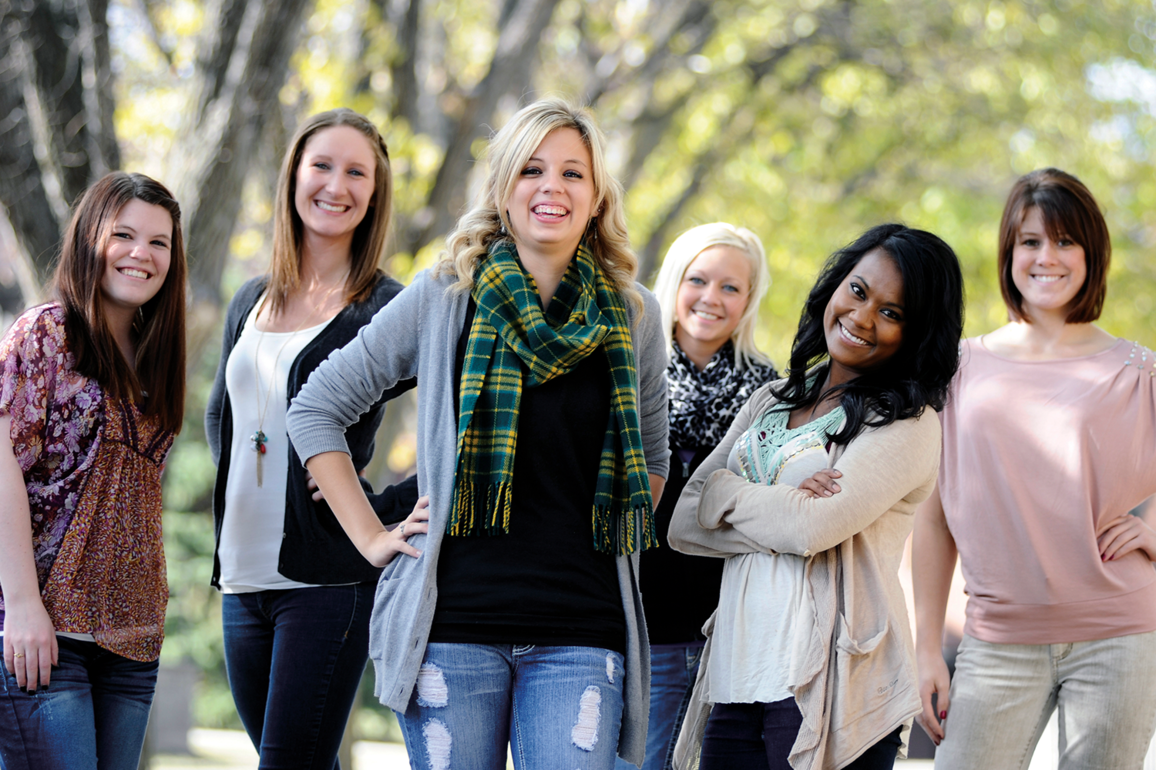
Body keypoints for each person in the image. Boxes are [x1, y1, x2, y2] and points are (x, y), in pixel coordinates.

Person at [286, 98, 670, 770]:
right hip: (451, 626)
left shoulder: (633, 314)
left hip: (582, 625)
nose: (551, 187)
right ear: (503, 187)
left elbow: (654, 456)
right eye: (531, 169)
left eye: (572, 174)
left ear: (597, 193)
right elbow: (316, 404)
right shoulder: (445, 295)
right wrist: (372, 538)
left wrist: (615, 523)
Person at [668, 224, 965, 770]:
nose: (862, 316)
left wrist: (729, 494)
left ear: (919, 332)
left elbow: (813, 530)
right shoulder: (771, 400)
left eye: (892, 312)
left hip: (826, 690)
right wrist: (783, 498)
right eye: (857, 290)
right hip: (735, 679)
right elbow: (685, 521)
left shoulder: (906, 423)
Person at [913, 168, 1156, 769]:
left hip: (1119, 636)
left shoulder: (1139, 372)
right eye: (1030, 241)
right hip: (995, 642)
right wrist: (924, 650)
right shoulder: (958, 368)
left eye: (1065, 241)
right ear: (1009, 252)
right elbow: (934, 517)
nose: (1048, 257)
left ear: (1091, 253)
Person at [204, 108, 418, 770]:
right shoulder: (251, 298)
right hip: (241, 579)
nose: (336, 184)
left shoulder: (388, 307)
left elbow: (466, 417)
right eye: (322, 165)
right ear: (294, 174)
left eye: (357, 172)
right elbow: (223, 420)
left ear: (375, 195)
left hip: (326, 582)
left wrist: (387, 511)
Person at [0, 172, 187, 769]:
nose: (142, 253)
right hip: (45, 636)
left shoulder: (157, 356)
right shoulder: (47, 332)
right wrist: (22, 603)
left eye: (159, 242)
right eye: (125, 234)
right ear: (89, 239)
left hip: (132, 641)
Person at [620, 223, 776, 770]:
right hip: (635, 622)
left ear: (749, 300)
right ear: (673, 282)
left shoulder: (770, 397)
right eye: (698, 280)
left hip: (725, 633)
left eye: (731, 287)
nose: (712, 298)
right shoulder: (629, 372)